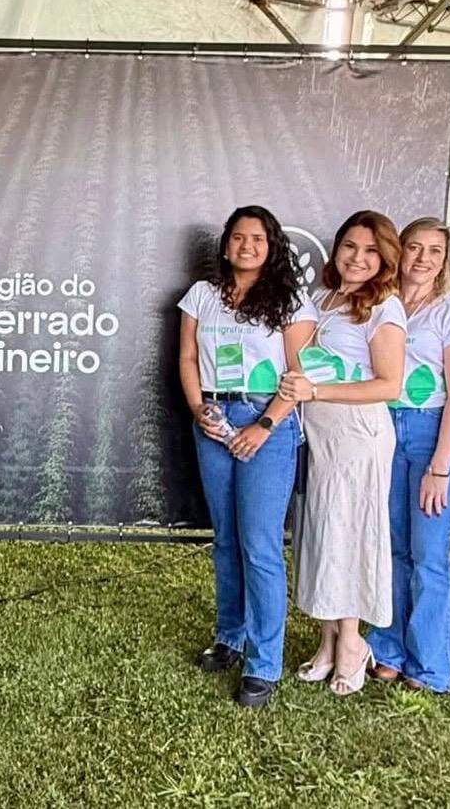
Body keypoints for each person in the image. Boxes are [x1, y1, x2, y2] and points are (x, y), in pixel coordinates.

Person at [178, 205, 316, 708]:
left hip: (267, 423)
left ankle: (264, 663)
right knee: (227, 540)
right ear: (226, 244)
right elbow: (187, 358)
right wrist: (199, 409)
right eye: (238, 237)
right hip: (214, 419)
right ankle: (230, 637)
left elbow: (300, 375)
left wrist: (264, 425)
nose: (247, 245)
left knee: (259, 546)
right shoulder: (202, 295)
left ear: (272, 245)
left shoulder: (291, 300)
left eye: (257, 238)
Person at [279, 210, 406, 696]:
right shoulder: (322, 300)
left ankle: (353, 643)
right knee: (323, 533)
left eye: (371, 250)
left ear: (386, 259)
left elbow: (389, 385)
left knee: (349, 535)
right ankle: (328, 641)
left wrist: (317, 392)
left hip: (358, 435)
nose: (358, 257)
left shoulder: (384, 307)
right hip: (322, 436)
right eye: (350, 246)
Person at [367, 218, 450, 692]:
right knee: (391, 546)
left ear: (445, 260)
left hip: (434, 432)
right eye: (415, 247)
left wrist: (441, 468)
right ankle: (388, 648)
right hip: (384, 428)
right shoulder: (381, 303)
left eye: (435, 251)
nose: (423, 258)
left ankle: (430, 665)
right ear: (400, 251)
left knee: (428, 551)